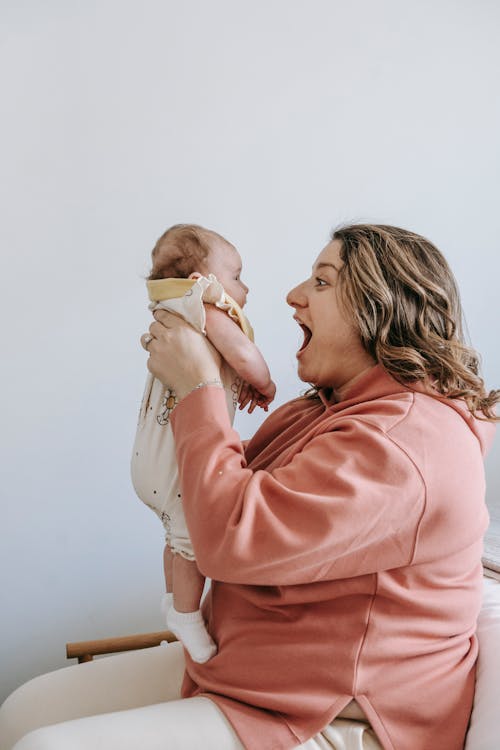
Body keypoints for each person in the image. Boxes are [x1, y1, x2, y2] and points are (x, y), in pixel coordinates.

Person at [0, 223, 497, 750]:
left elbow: (230, 535)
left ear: (379, 307)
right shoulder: (329, 410)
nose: (293, 295)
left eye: (322, 282)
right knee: (21, 711)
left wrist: (199, 387)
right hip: (253, 672)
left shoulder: (405, 444)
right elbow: (214, 493)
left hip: (337, 710)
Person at [131, 223, 276, 663]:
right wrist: (265, 382)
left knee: (175, 538)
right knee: (191, 539)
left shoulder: (172, 314)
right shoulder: (205, 308)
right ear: (202, 282)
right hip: (178, 462)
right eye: (236, 275)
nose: (244, 286)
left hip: (149, 460)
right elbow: (244, 355)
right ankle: (187, 614)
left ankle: (173, 600)